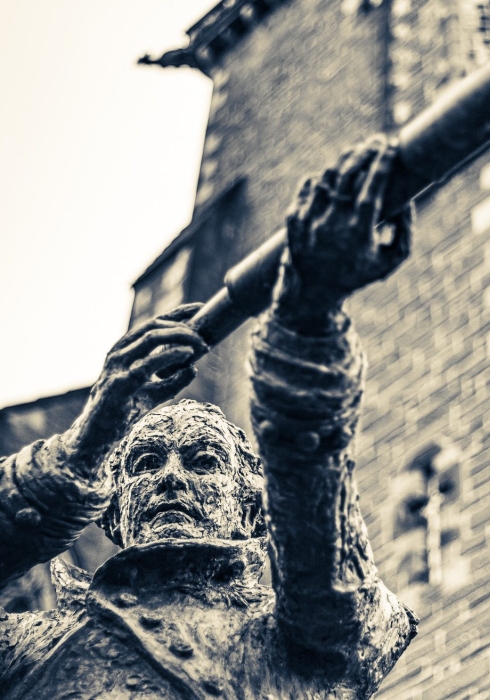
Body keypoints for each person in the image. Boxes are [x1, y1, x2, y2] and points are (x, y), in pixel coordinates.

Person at [0, 136, 417, 699]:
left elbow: (336, 593)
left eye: (203, 461)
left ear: (251, 506)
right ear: (113, 509)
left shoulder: (290, 644)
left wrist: (305, 322)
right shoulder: (34, 648)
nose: (171, 477)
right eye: (146, 462)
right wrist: (90, 439)